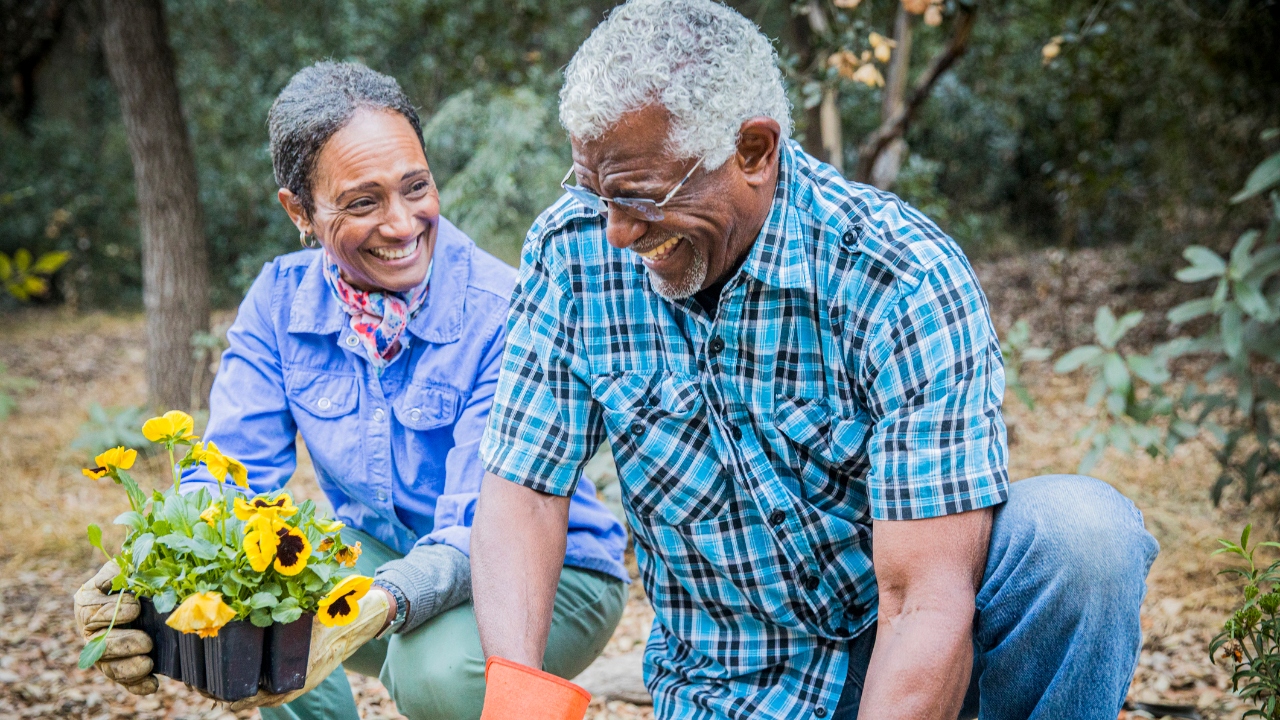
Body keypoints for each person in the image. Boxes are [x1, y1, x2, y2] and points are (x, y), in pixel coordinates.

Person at [469, 1, 1160, 718]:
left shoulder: (900, 278)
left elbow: (921, 600)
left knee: (1084, 539)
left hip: (916, 662)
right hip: (731, 686)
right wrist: (519, 699)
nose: (614, 232)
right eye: (595, 192)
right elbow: (525, 487)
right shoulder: (570, 251)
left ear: (754, 152)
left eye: (639, 197)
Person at [71, 60, 628, 720]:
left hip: (551, 574)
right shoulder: (280, 303)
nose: (401, 224)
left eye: (415, 188)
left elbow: (479, 527)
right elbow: (229, 482)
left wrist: (378, 601)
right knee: (249, 600)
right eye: (363, 202)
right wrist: (147, 574)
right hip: (391, 555)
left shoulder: (501, 309)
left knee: (435, 670)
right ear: (299, 210)